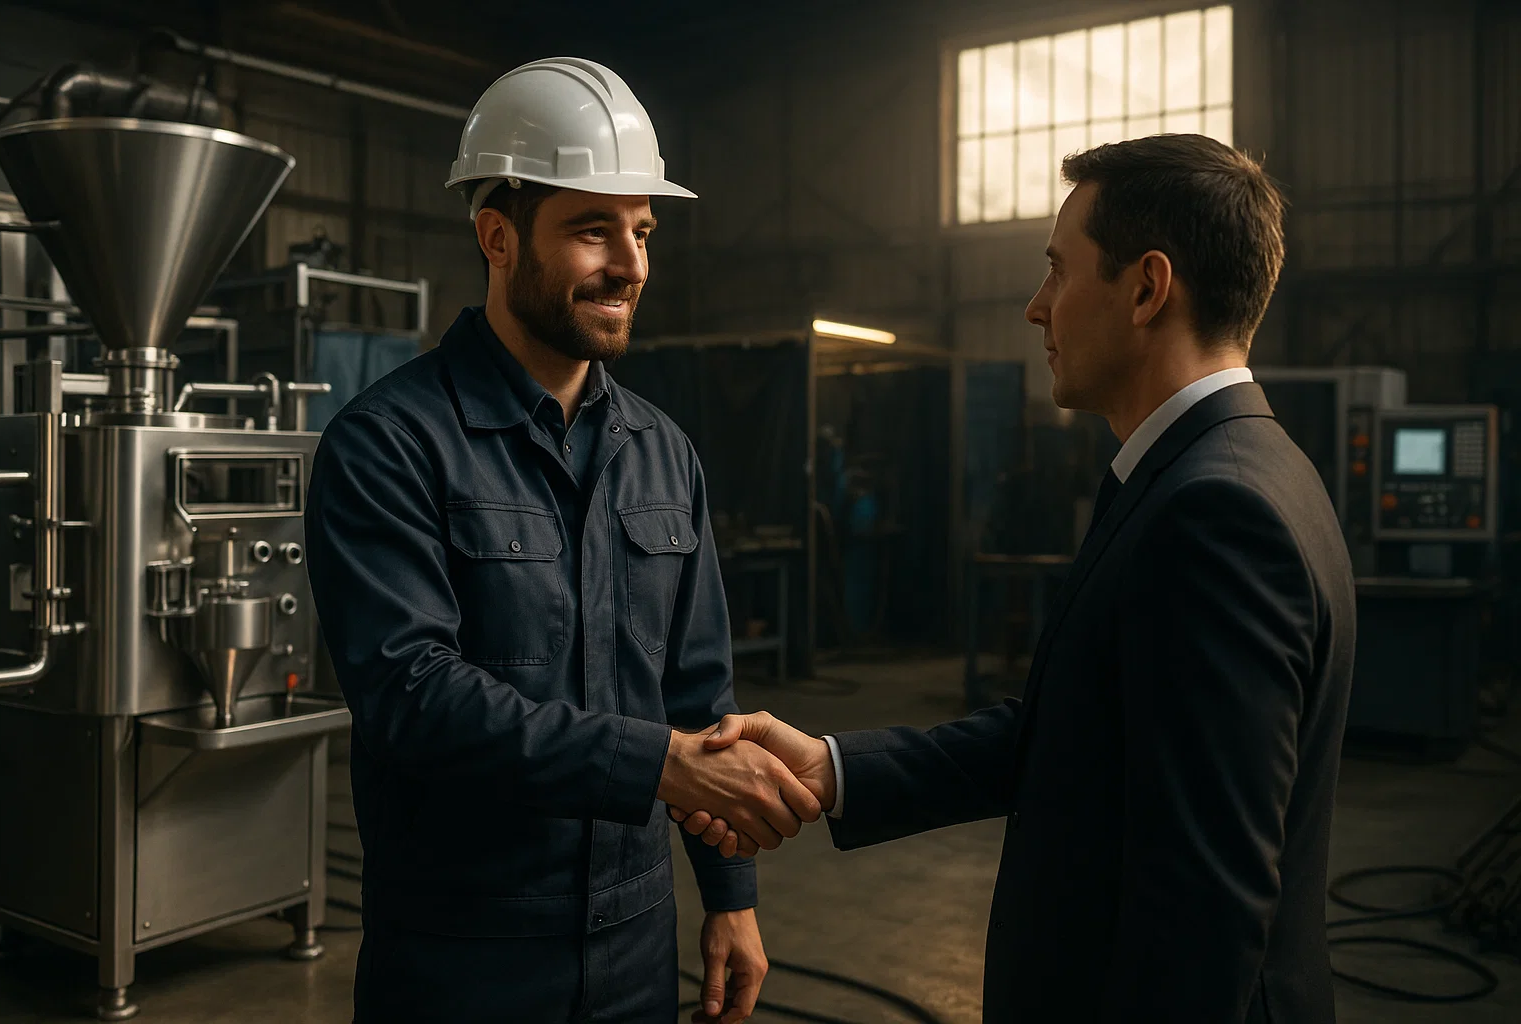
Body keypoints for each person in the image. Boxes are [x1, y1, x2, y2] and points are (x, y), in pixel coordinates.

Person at [675, 134, 1356, 1024]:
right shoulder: (1231, 472)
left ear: (1148, 288)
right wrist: (836, 767)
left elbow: (1204, 910)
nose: (1037, 308)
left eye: (1058, 272)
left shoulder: (1214, 513)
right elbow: (1079, 734)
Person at [305, 57, 820, 1024]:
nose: (630, 264)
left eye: (641, 230)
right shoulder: (388, 444)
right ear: (497, 237)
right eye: (593, 229)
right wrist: (658, 764)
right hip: (461, 956)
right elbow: (411, 696)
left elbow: (700, 694)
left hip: (635, 945)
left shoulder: (664, 453)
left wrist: (730, 900)